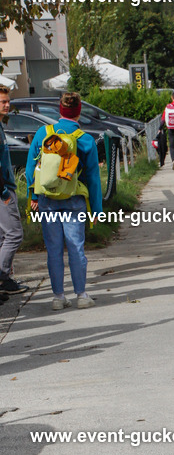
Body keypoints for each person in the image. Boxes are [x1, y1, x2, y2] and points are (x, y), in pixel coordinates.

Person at [26, 91, 102, 310]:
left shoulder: (43, 133)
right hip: (74, 200)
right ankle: (81, 295)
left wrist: (33, 196)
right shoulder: (85, 139)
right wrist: (96, 209)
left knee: (54, 249)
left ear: (60, 110)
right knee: (76, 247)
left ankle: (58, 297)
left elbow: (31, 169)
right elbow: (93, 178)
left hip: (47, 200)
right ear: (79, 111)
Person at [0, 86, 28, 297]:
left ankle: (5, 280)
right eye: (3, 102)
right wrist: (3, 192)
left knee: (3, 237)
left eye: (8, 101)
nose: (7, 105)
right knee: (14, 234)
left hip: (6, 187)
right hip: (3, 191)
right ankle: (2, 277)